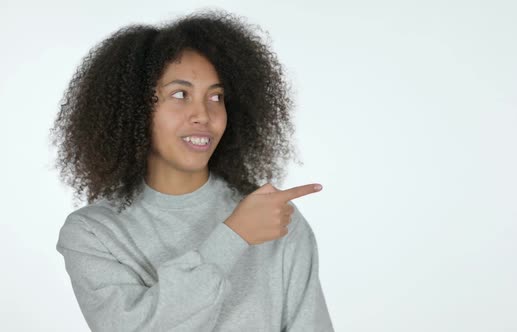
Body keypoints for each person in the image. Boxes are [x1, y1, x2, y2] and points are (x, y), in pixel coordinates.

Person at [49, 9, 334, 332]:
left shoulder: (275, 218)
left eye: (216, 96)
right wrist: (233, 237)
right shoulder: (94, 234)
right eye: (180, 94)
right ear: (133, 109)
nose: (203, 114)